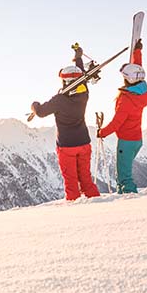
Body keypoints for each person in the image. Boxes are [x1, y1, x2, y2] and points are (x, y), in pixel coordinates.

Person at [30, 44, 101, 201]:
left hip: (67, 146)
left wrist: (34, 105)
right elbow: (81, 78)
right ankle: (98, 205)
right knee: (86, 180)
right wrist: (78, 58)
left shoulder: (59, 100)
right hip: (84, 143)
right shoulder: (84, 95)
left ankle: (74, 212)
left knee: (71, 183)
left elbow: (40, 112)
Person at [97, 39, 147, 194]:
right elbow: (137, 70)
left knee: (124, 177)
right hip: (136, 139)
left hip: (126, 142)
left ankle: (129, 200)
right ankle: (123, 197)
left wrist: (102, 132)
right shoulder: (141, 92)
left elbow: (117, 122)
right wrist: (137, 52)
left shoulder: (127, 100)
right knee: (123, 173)